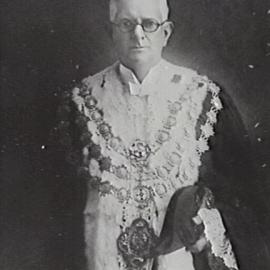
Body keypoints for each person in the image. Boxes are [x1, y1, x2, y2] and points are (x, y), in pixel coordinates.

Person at [53, 0, 269, 269]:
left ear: (165, 33)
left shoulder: (203, 96)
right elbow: (60, 205)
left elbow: (244, 194)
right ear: (112, 32)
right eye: (126, 24)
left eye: (149, 24)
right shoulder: (80, 101)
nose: (138, 35)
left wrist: (205, 222)